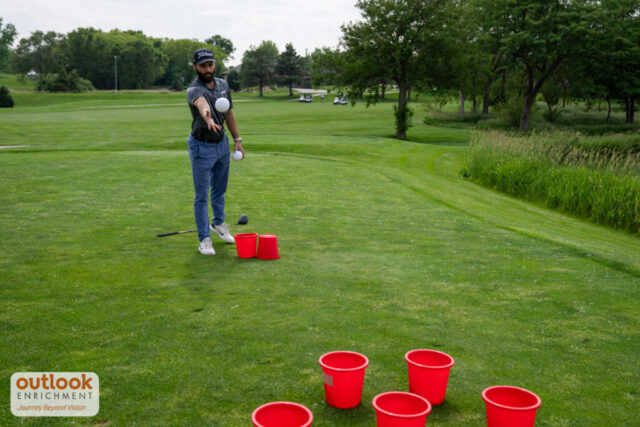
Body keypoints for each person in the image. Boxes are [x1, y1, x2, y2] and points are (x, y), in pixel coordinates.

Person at [186, 48, 244, 255]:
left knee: (219, 189)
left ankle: (218, 224)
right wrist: (208, 117)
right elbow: (202, 104)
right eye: (203, 66)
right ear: (196, 67)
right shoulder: (193, 89)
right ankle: (204, 239)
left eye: (210, 65)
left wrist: (237, 140)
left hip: (221, 144)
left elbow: (229, 112)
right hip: (201, 145)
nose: (208, 69)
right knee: (201, 196)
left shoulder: (223, 84)